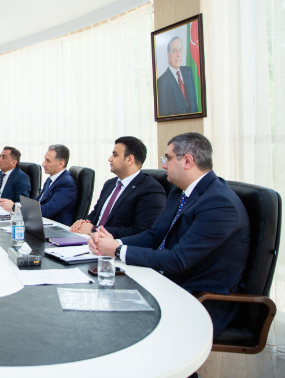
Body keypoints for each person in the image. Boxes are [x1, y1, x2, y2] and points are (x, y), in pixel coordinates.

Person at [88, 133, 250, 338]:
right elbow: (155, 234)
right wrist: (113, 242)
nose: (163, 165)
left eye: (167, 158)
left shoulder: (219, 203)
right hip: (168, 281)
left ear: (187, 161)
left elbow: (178, 260)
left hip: (200, 297)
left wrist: (118, 251)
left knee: (113, 322)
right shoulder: (179, 192)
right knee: (97, 301)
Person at [71, 136, 166, 238]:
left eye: (115, 155)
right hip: (90, 240)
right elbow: (96, 213)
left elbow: (142, 231)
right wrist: (83, 223)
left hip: (115, 245)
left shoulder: (150, 189)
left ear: (130, 159)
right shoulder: (110, 184)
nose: (110, 159)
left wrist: (95, 230)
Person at [0, 145, 77, 224]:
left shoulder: (66, 184)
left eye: (48, 161)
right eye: (44, 159)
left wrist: (15, 207)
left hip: (54, 227)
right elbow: (37, 203)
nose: (43, 164)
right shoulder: (51, 179)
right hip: (39, 223)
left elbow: (47, 210)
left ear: (61, 164)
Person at [156, 36, 199, 117]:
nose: (178, 55)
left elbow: (194, 105)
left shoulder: (188, 72)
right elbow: (163, 114)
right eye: (175, 51)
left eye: (180, 50)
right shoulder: (162, 82)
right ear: (168, 55)